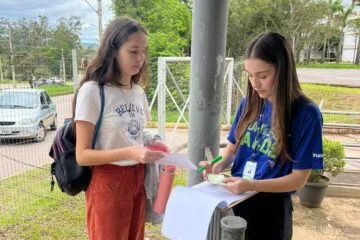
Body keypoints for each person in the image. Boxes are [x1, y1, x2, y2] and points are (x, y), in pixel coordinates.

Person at [200, 32, 323, 240]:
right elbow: (231, 149)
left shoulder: (306, 114)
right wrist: (218, 165)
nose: (255, 83)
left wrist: (253, 185)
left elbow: (298, 179)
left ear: (283, 71)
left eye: (263, 76)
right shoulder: (249, 103)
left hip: (271, 210)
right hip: (235, 201)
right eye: (249, 75)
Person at [73, 17, 166, 240]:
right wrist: (131, 152)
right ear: (113, 50)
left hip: (138, 178)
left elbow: (132, 134)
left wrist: (151, 143)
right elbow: (82, 155)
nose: (140, 58)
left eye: (143, 51)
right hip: (108, 180)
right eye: (133, 51)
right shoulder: (93, 91)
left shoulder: (138, 92)